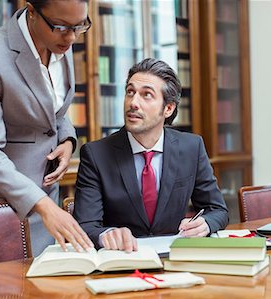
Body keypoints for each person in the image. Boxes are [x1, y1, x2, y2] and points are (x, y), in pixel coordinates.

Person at [0, 0, 94, 256]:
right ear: (32, 12)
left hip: (44, 191)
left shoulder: (61, 40)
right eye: (62, 26)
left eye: (79, 26)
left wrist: (67, 141)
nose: (72, 38)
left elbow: (52, 109)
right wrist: (44, 206)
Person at [73, 58, 229, 252]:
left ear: (168, 108)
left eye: (146, 95)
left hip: (177, 259)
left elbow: (218, 210)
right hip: (122, 263)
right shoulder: (96, 154)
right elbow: (85, 225)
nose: (133, 103)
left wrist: (205, 223)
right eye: (130, 92)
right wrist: (107, 235)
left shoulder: (191, 147)